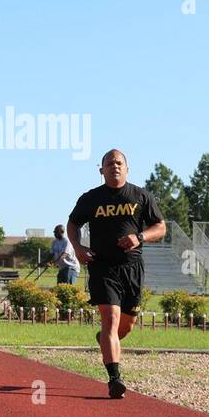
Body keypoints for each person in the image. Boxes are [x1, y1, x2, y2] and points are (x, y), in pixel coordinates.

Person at [67, 149, 165, 399]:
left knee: (127, 325)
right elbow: (73, 224)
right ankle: (115, 379)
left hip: (132, 267)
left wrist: (139, 237)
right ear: (101, 170)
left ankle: (105, 340)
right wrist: (78, 248)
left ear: (127, 168)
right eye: (109, 164)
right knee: (110, 317)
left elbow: (160, 227)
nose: (115, 167)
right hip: (102, 266)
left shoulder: (141, 196)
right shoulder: (90, 198)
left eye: (119, 163)